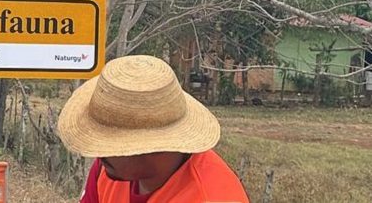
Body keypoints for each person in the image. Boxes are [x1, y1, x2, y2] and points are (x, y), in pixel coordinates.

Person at [57, 55, 248, 203]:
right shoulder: (107, 170)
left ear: (151, 146)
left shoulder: (211, 197)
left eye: (110, 144)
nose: (99, 154)